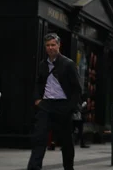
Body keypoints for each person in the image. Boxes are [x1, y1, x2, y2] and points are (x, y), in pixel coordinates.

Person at [27, 33, 83, 170]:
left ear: (59, 45)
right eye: (48, 45)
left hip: (62, 106)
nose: (50, 48)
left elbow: (77, 89)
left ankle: (68, 167)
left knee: (66, 141)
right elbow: (39, 83)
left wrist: (70, 108)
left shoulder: (68, 64)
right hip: (46, 105)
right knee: (39, 138)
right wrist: (37, 100)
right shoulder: (42, 64)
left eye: (53, 45)